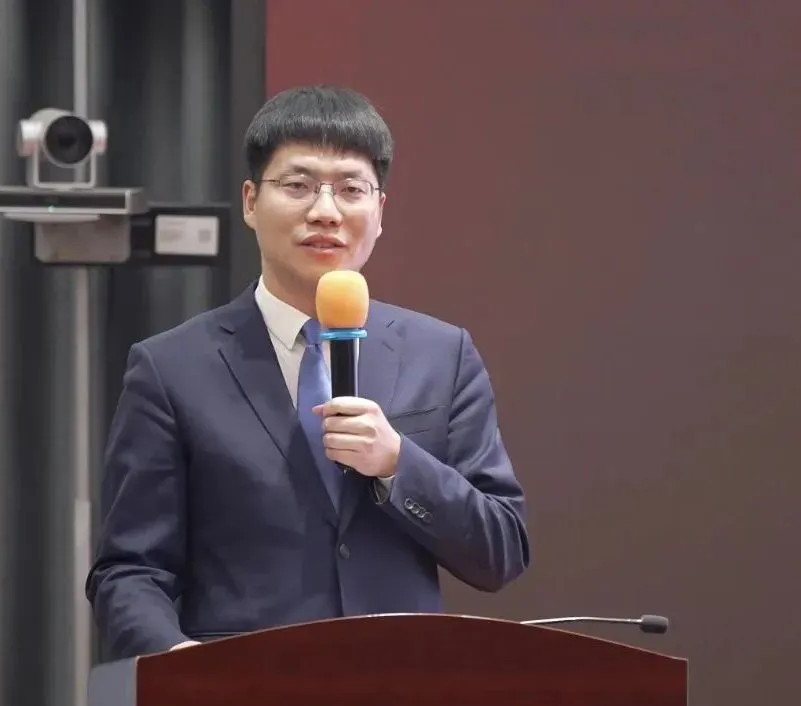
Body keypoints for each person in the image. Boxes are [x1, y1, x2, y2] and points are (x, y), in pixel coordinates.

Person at [85, 85, 530, 658]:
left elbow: (500, 551)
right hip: (243, 683)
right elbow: (129, 569)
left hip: (402, 678)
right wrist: (182, 662)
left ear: (380, 211)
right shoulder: (171, 368)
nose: (325, 211)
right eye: (297, 186)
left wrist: (397, 463)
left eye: (350, 189)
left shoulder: (442, 355)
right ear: (251, 202)